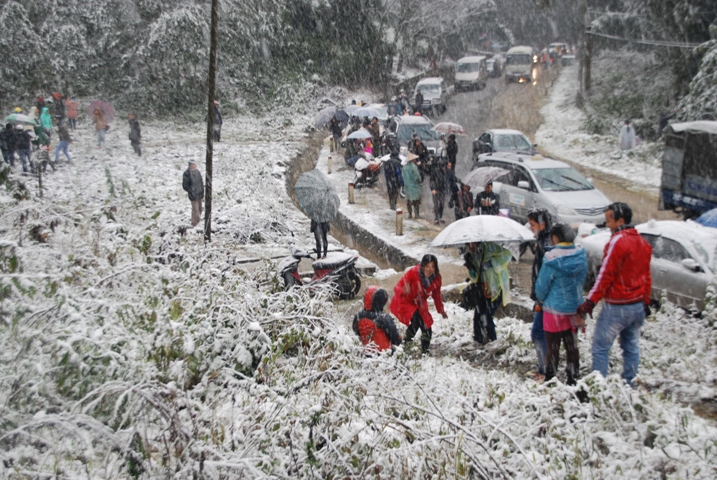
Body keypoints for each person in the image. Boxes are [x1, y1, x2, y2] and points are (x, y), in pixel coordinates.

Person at [577, 202, 652, 386]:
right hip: (636, 306)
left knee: (601, 348)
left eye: (609, 220)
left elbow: (605, 275)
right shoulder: (642, 243)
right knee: (631, 347)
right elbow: (646, 277)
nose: (607, 225)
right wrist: (645, 301)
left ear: (620, 221)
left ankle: (598, 388)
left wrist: (590, 302)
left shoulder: (618, 241)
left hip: (617, 307)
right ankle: (630, 384)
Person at [534, 223, 587, 385]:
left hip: (554, 310)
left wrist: (540, 300)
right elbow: (583, 280)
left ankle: (551, 380)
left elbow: (542, 287)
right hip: (575, 309)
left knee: (553, 348)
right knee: (571, 347)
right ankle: (572, 378)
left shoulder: (551, 258)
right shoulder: (581, 255)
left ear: (556, 237)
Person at [390, 254, 447, 354]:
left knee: (426, 325)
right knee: (418, 322)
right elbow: (399, 286)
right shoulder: (413, 272)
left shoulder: (436, 279)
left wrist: (441, 310)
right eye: (427, 266)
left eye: (432, 266)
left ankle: (422, 349)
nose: (429, 269)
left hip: (420, 303)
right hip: (406, 302)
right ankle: (406, 344)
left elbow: (437, 296)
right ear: (422, 266)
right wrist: (405, 290)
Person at [463, 242, 512, 344]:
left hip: (497, 288)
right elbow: (475, 277)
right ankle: (478, 340)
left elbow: (507, 255)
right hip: (483, 290)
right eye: (468, 245)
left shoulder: (490, 247)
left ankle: (492, 340)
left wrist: (492, 263)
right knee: (478, 316)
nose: (471, 247)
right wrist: (471, 268)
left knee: (486, 315)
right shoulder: (473, 255)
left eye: (473, 244)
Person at [527, 207, 552, 380]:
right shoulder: (544, 241)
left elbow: (545, 274)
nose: (530, 227)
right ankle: (545, 368)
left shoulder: (547, 244)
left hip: (546, 297)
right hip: (545, 296)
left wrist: (539, 298)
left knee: (538, 333)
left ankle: (544, 370)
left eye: (532, 224)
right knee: (545, 333)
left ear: (542, 224)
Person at [353, 286, 402, 353]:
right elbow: (396, 340)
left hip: (366, 353)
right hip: (384, 354)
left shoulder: (358, 316)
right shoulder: (384, 317)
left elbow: (356, 331)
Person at [182, 160, 204, 227]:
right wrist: (190, 190)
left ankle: (198, 221)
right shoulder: (187, 174)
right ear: (190, 166)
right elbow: (185, 185)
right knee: (195, 209)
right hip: (193, 194)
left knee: (200, 208)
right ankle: (194, 223)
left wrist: (202, 190)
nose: (194, 166)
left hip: (199, 193)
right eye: (193, 165)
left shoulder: (197, 172)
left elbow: (201, 182)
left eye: (195, 165)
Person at [402, 154, 422, 219]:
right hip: (414, 186)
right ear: (413, 160)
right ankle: (416, 214)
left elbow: (403, 177)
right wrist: (419, 181)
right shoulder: (413, 167)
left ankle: (410, 214)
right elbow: (417, 177)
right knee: (416, 201)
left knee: (408, 201)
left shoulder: (404, 167)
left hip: (407, 186)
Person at [429, 160, 447, 225]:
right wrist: (433, 188)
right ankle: (436, 218)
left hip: (442, 190)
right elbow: (431, 180)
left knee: (442, 204)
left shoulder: (446, 173)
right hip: (436, 190)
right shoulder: (436, 172)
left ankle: (440, 216)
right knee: (436, 205)